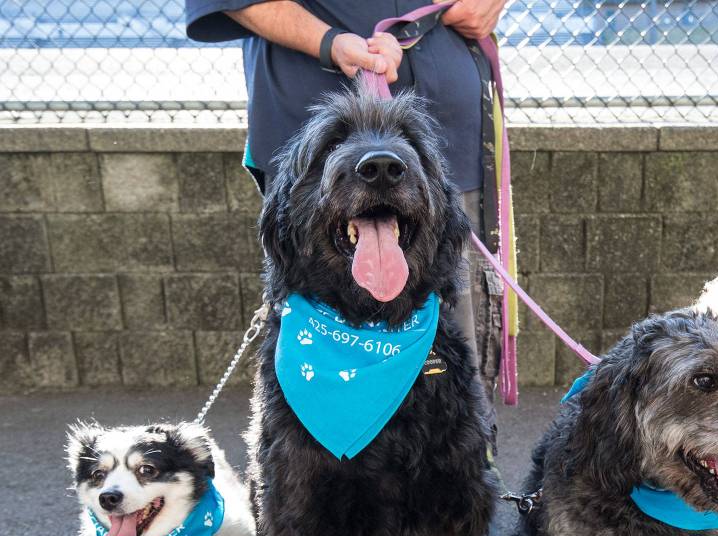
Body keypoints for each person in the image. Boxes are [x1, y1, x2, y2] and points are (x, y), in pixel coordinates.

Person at [185, 0, 510, 423]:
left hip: (447, 140)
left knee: (455, 409)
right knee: (305, 441)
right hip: (308, 134)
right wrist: (330, 43)